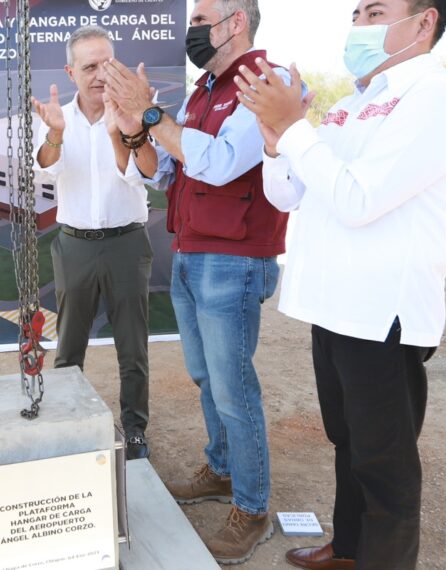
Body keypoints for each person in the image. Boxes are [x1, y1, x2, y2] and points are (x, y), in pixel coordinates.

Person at [235, 1, 446, 568]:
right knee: (348, 440)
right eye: (356, 15)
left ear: (424, 22)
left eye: (375, 13)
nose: (359, 27)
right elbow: (288, 194)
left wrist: (295, 129)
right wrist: (276, 141)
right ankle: (349, 549)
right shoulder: (352, 105)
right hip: (334, 306)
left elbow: (357, 199)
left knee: (384, 463)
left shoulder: (436, 96)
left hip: (380, 312)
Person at [101, 0, 291, 564]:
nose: (193, 30)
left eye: (202, 19)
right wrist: (133, 132)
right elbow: (165, 170)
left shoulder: (266, 82)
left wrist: (152, 115)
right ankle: (223, 469)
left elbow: (222, 162)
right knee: (207, 377)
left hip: (234, 259)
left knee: (233, 387)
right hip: (190, 250)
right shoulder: (203, 91)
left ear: (237, 22)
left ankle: (252, 508)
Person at [31, 25, 159, 460]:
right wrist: (55, 133)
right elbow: (46, 166)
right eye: (89, 67)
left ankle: (135, 431)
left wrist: (122, 132)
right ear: (71, 72)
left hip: (127, 242)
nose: (100, 75)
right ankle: (67, 430)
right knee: (69, 348)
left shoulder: (134, 112)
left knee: (132, 348)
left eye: (107, 64)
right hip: (75, 246)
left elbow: (144, 172)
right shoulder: (56, 117)